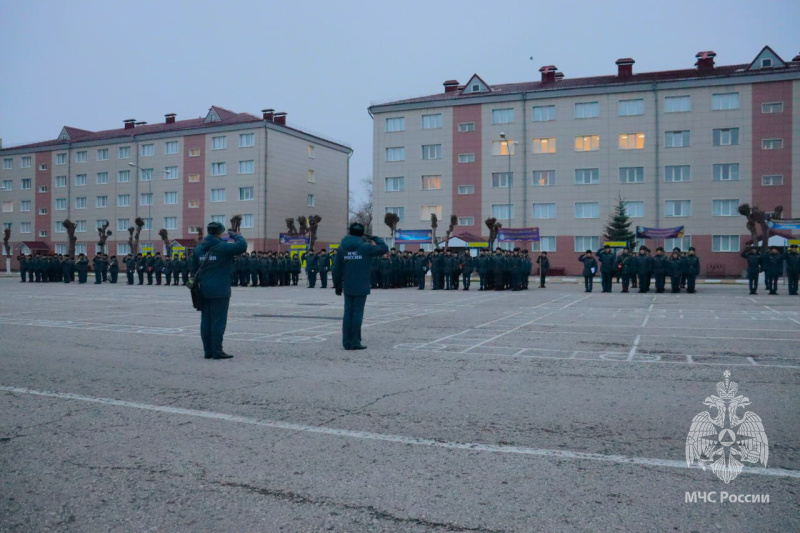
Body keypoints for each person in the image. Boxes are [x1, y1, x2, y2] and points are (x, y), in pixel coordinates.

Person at [190, 221, 247, 360]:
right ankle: (217, 351)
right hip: (220, 290)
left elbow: (192, 270)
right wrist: (236, 235)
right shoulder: (222, 247)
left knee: (206, 321)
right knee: (218, 321)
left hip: (203, 290)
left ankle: (207, 351)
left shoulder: (198, 249)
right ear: (220, 233)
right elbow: (242, 246)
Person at [332, 223, 388, 351]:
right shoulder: (365, 247)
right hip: (361, 284)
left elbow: (336, 268)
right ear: (362, 233)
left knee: (348, 313)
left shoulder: (342, 248)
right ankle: (355, 342)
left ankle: (346, 342)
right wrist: (375, 237)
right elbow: (384, 248)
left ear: (350, 232)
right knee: (357, 314)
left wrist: (337, 285)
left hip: (348, 285)